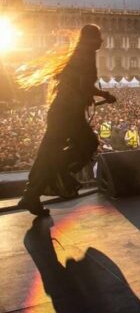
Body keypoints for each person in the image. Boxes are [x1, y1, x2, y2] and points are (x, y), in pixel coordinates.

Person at [18, 24, 116, 216]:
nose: (101, 40)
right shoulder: (84, 57)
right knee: (88, 143)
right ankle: (59, 172)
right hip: (67, 115)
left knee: (47, 153)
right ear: (90, 39)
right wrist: (104, 94)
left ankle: (31, 195)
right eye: (98, 36)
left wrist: (101, 94)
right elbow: (83, 86)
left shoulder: (81, 55)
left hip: (63, 113)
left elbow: (82, 85)